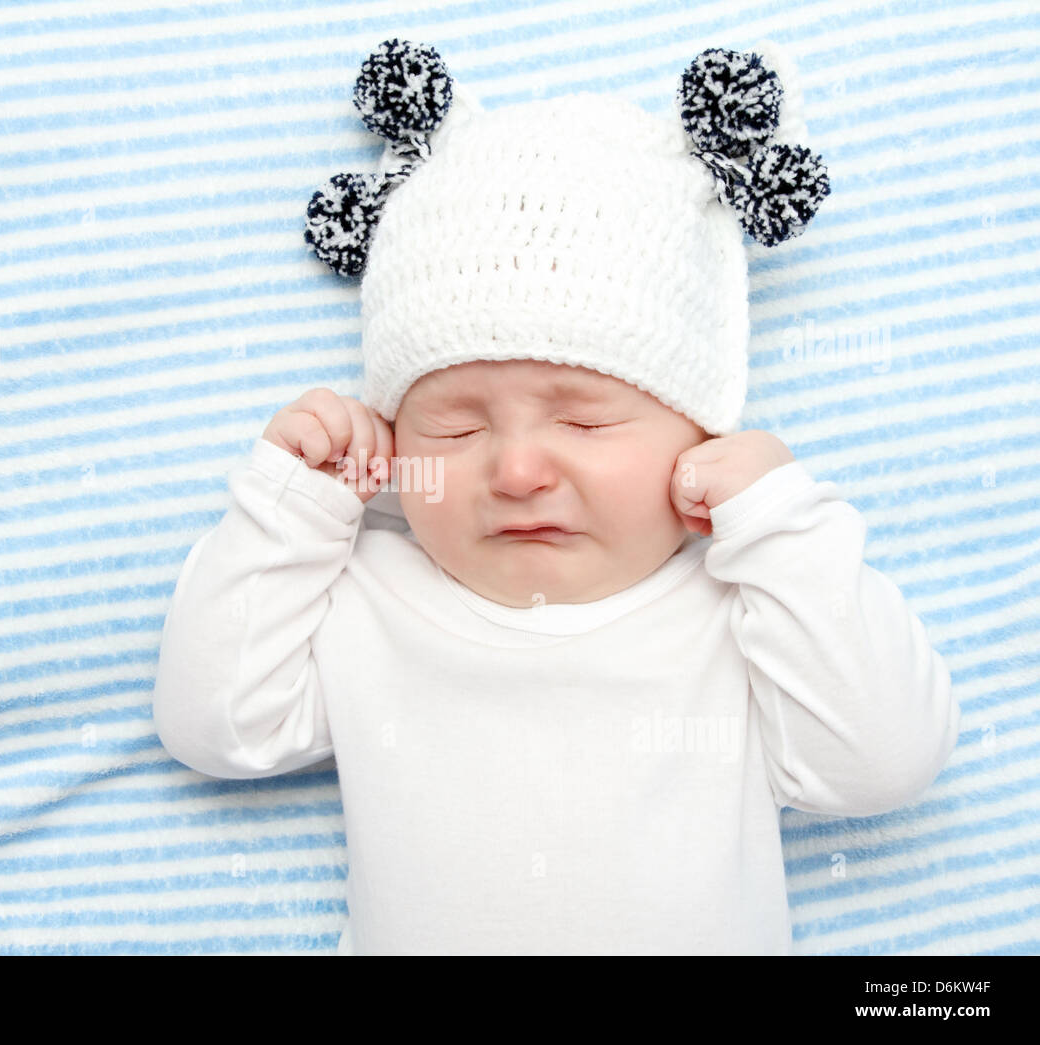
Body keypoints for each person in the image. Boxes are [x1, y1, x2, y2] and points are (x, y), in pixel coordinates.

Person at [150, 39, 960, 955]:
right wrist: (296, 506)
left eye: (585, 423)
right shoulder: (367, 591)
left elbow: (884, 763)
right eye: (454, 428)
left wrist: (778, 526)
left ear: (700, 435)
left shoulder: (743, 609)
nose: (519, 470)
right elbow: (212, 727)